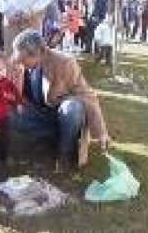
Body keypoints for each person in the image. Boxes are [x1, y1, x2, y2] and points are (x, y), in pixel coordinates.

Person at [10, 29, 111, 168]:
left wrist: (101, 132)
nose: (21, 64)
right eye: (18, 60)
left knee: (72, 108)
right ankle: (55, 135)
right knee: (8, 113)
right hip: (38, 112)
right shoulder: (19, 64)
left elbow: (87, 96)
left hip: (60, 112)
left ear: (39, 53)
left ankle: (65, 151)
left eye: (23, 60)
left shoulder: (65, 62)